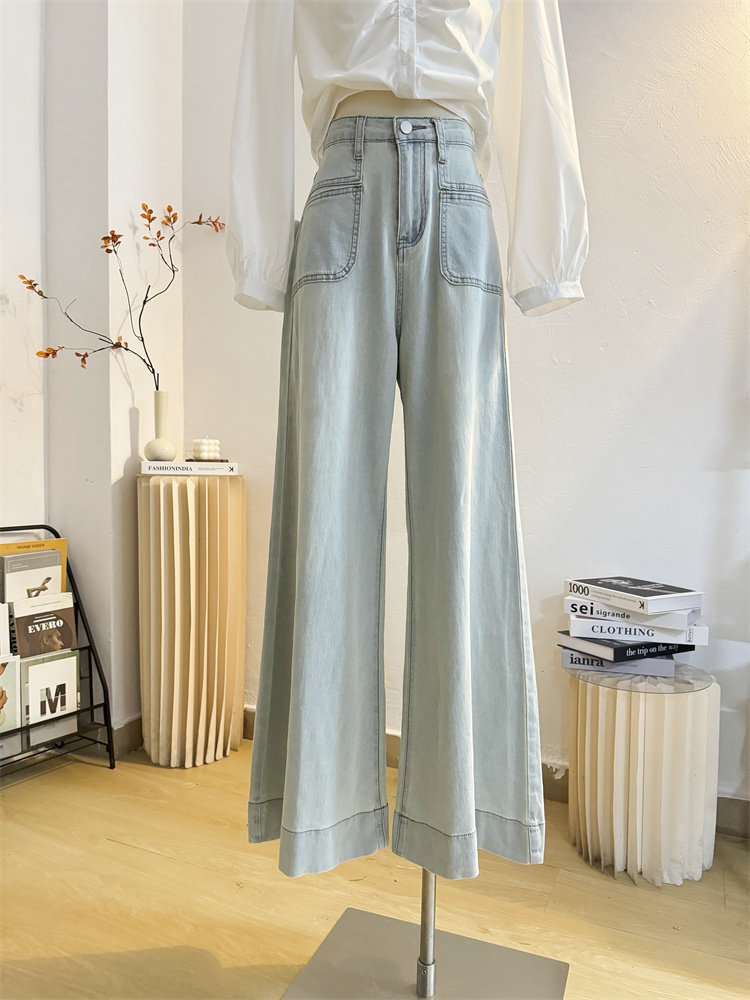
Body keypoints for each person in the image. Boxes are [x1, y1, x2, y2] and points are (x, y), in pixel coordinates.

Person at [228, 1, 589, 880]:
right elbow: (262, 73)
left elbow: (534, 76)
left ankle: (456, 815)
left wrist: (549, 254)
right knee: (325, 526)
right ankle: (323, 812)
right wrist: (260, 251)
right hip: (341, 189)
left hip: (459, 188)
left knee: (466, 522)